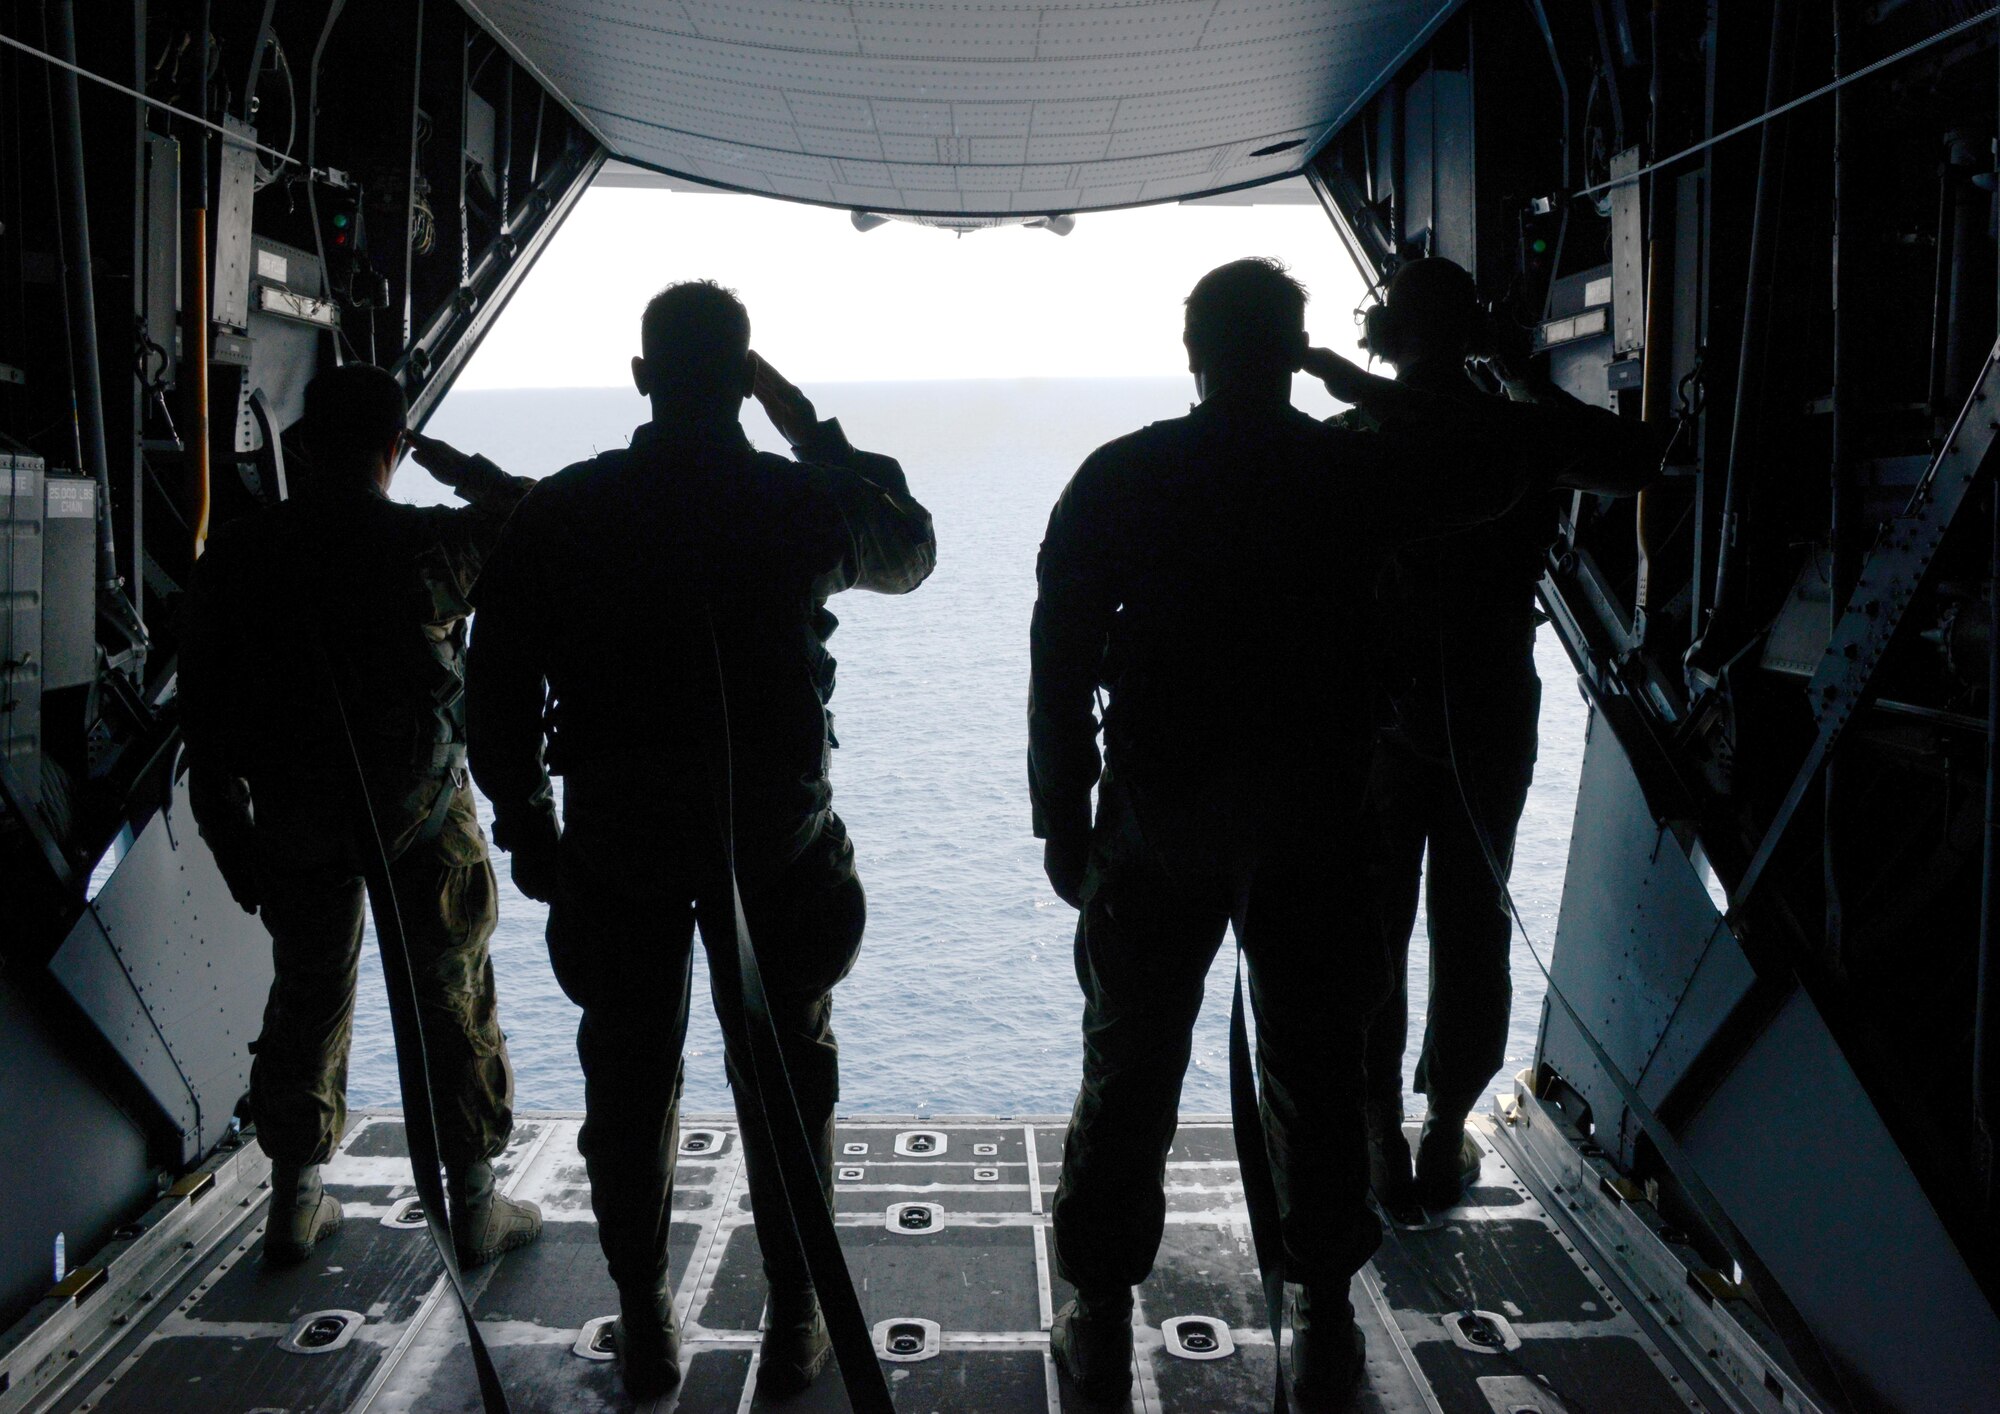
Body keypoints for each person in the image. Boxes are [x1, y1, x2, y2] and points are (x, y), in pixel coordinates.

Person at [1029, 258, 1654, 1410]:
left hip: (1159, 817)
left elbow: (1059, 655)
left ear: (1192, 352)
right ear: (1294, 349)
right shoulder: (1352, 470)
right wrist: (1369, 387)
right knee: (1313, 1070)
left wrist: (1060, 820)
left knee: (1127, 1070)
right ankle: (1317, 1319)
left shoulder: (1121, 475)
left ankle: (1100, 1314)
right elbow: (1495, 461)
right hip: (1316, 812)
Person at [465, 280, 935, 1400]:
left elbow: (495, 688)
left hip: (618, 844)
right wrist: (803, 419)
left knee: (626, 1087)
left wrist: (531, 828)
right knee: (785, 1083)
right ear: (741, 378)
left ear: (640, 377)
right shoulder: (798, 499)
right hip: (773, 840)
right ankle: (795, 1321)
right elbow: (910, 546)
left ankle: (644, 1318)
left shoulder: (566, 509)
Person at [180, 363, 543, 1271]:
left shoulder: (239, 556)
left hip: (298, 821)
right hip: (422, 818)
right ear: (393, 446)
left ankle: (295, 1207)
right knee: (452, 1000)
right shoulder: (430, 548)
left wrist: (238, 850)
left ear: (304, 446)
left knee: (306, 999)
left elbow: (207, 725)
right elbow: (530, 518)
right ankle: (473, 1207)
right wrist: (456, 467)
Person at [1349, 257, 1657, 1212]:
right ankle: (1444, 1136)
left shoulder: (1352, 438)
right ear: (1470, 332)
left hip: (1381, 716)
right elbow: (1639, 456)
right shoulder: (1517, 436)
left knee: (1372, 928)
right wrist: (1515, 370)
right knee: (1472, 919)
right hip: (1487, 710)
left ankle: (1374, 1142)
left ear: (1386, 339)